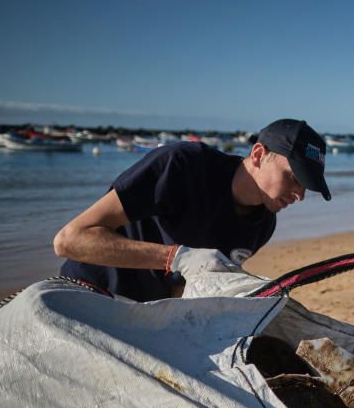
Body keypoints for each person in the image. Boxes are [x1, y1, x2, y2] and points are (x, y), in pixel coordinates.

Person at [55, 119, 331, 301]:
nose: (301, 195)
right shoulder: (183, 165)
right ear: (258, 155)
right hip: (85, 293)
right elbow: (70, 240)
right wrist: (175, 257)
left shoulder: (262, 224)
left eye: (308, 186)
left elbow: (183, 288)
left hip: (140, 318)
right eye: (294, 178)